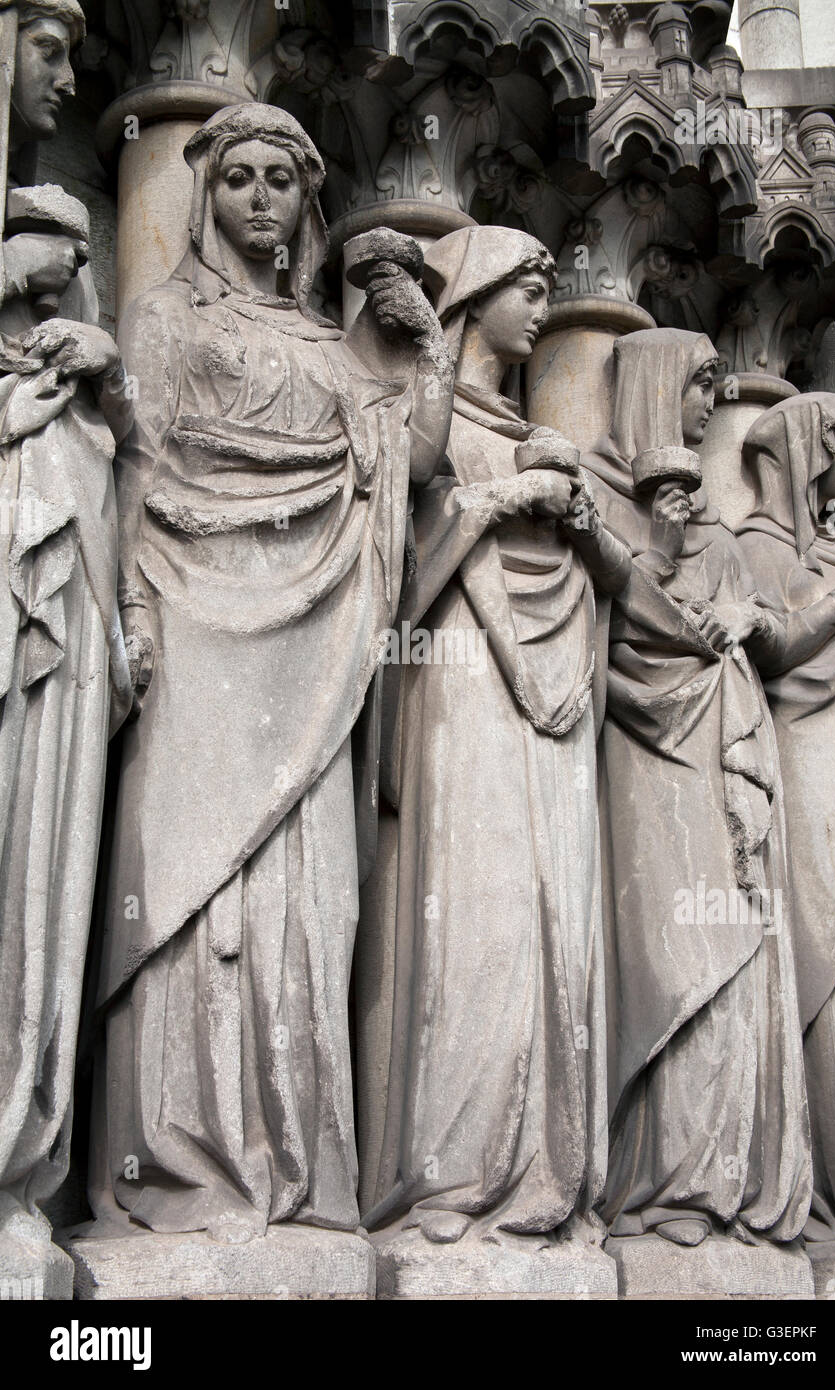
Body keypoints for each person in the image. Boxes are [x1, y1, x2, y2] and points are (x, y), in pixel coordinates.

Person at [87, 104, 453, 1242]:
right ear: (204, 196)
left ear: (306, 201)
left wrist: (424, 347)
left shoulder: (327, 351)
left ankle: (291, 1173)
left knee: (306, 904)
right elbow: (134, 476)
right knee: (190, 894)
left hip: (316, 656)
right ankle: (177, 1163)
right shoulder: (159, 320)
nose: (256, 197)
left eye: (278, 181)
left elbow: (411, 462)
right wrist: (136, 611)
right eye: (235, 176)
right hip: (196, 647)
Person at [363, 226, 631, 1248]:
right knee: (473, 924)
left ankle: (546, 1171)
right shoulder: (427, 423)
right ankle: (450, 1172)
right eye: (527, 286)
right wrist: (490, 502)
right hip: (458, 696)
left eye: (548, 286)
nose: (540, 306)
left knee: (552, 916)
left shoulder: (534, 438)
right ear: (473, 296)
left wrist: (574, 516)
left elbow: (622, 595)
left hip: (552, 715)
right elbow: (392, 579)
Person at [581, 328, 811, 1248]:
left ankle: (728, 1175)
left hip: (729, 744)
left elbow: (767, 629)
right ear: (650, 386)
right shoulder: (599, 499)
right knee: (675, 951)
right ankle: (660, 1173)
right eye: (697, 386)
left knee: (740, 945)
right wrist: (661, 554)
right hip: (648, 757)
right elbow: (617, 640)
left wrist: (748, 612)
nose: (709, 405)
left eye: (720, 387)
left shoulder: (721, 528)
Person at [0, 0, 133, 1282]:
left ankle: (18, 1167)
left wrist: (99, 391)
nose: (69, 69)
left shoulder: (79, 415)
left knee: (43, 881)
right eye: (47, 45)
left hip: (56, 675)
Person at [738, 393, 835, 1241]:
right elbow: (773, 648)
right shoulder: (750, 545)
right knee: (819, 944)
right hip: (799, 763)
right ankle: (832, 1170)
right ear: (801, 447)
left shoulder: (832, 550)